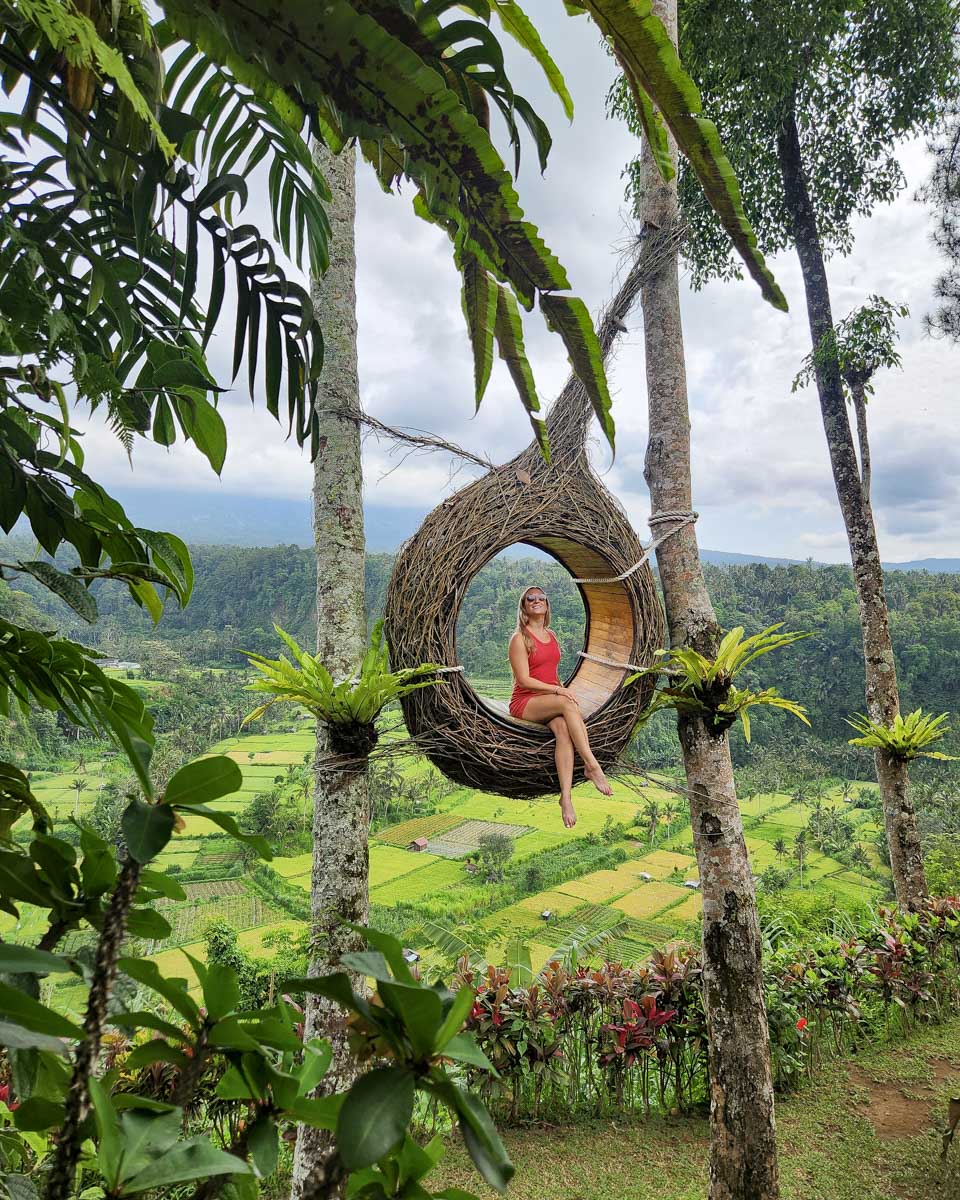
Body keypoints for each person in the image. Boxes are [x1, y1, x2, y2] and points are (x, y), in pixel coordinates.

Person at [508, 586, 613, 828]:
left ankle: (565, 797)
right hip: (525, 702)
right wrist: (558, 691)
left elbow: (550, 673)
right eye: (530, 599)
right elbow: (523, 680)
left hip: (547, 701)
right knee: (567, 702)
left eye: (541, 598)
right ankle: (591, 764)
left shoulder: (551, 635)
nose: (536, 601)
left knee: (564, 730)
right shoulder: (519, 638)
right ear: (523, 606)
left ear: (547, 604)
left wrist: (560, 687)